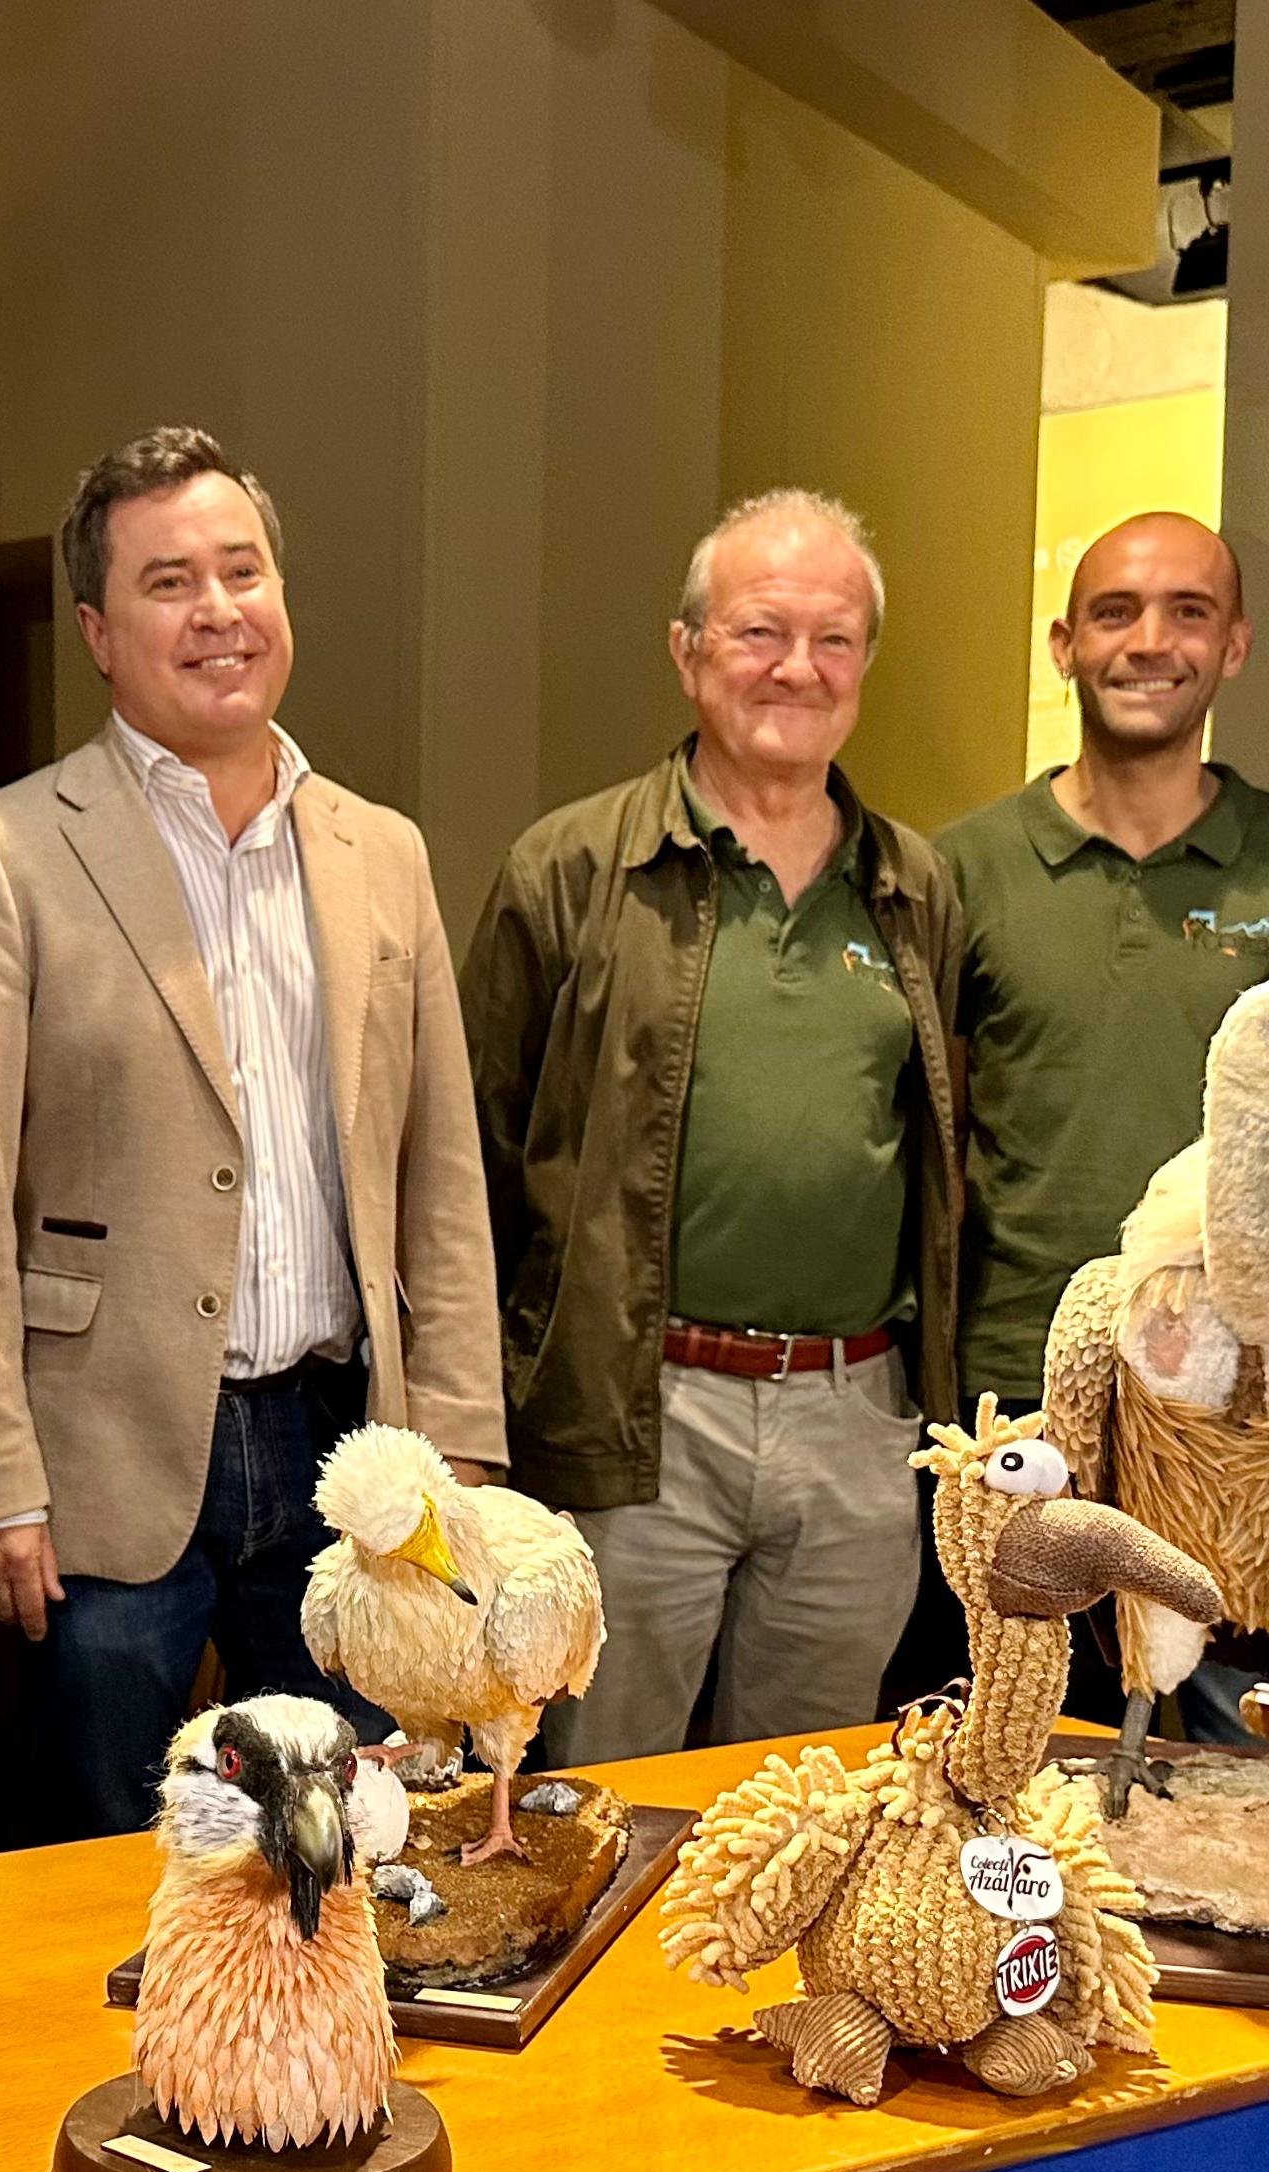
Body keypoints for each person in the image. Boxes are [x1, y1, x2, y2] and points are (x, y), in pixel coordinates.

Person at [0, 426, 505, 1837]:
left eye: (242, 571)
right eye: (168, 580)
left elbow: (441, 1176)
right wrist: (0, 1479)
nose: (216, 609)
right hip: (102, 1456)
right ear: (99, 632)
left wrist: (460, 1447)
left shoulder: (382, 849)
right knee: (104, 1866)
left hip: (339, 1449)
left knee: (347, 1849)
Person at [462, 488, 962, 1765]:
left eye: (834, 639)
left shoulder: (916, 888)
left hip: (858, 1423)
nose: (797, 667)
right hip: (638, 1420)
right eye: (758, 632)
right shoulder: (571, 870)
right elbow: (473, 1162)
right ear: (686, 652)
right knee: (599, 1796)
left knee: (807, 1813)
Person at [941, 513, 1269, 1416]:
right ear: (1063, 645)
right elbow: (932, 1132)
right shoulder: (962, 868)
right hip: (1021, 1369)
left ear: (1234, 645)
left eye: (1189, 612)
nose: (1149, 643)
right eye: (1114, 612)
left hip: (1245, 1377)